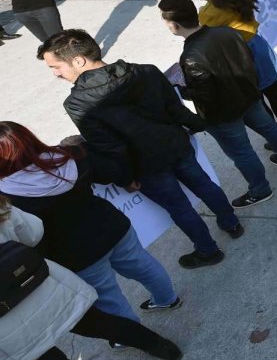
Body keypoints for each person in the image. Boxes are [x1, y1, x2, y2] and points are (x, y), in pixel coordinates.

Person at [38, 29, 242, 268]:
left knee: (180, 208)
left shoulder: (77, 103)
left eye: (56, 67)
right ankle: (231, 224)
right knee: (204, 185)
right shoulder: (146, 71)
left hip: (146, 167)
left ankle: (208, 251)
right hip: (176, 146)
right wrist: (196, 125)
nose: (55, 74)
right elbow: (175, 109)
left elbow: (110, 147)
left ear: (78, 61)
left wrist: (124, 178)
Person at [0, 199, 184, 360]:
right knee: (99, 323)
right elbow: (33, 232)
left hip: (6, 325)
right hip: (39, 286)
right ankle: (161, 347)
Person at [0, 122, 180, 321]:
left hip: (75, 253)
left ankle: (135, 332)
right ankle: (168, 299)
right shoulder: (70, 154)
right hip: (113, 226)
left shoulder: (6, 195)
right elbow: (109, 172)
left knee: (108, 298)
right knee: (144, 266)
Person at [158, 0, 277, 208]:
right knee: (269, 127)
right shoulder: (226, 32)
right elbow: (248, 63)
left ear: (174, 25)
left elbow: (205, 95)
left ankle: (260, 189)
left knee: (241, 152)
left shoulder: (190, 56)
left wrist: (181, 89)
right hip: (248, 96)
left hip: (223, 114)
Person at [188, 0, 277, 139]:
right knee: (274, 93)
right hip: (257, 45)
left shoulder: (208, 13)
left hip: (238, 56)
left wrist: (202, 15)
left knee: (258, 99)